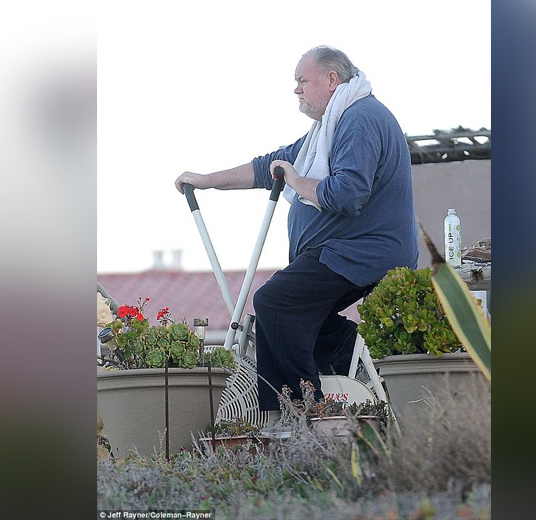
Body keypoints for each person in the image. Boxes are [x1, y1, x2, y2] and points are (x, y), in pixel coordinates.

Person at [174, 46, 418, 436]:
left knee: (275, 302)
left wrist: (295, 180)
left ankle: (301, 414)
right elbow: (267, 166)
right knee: (303, 319)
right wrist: (206, 180)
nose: (297, 91)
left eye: (302, 81)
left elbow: (347, 194)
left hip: (360, 253)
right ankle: (343, 397)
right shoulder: (330, 128)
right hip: (342, 254)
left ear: (331, 80)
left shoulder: (360, 119)